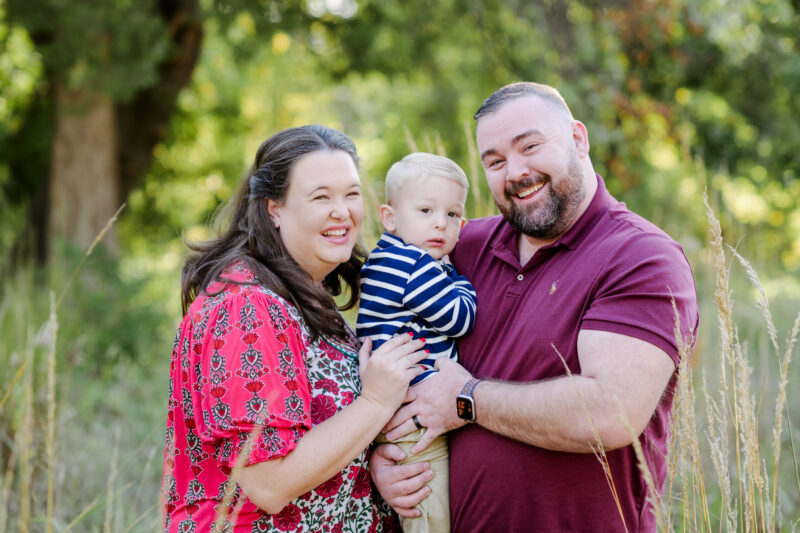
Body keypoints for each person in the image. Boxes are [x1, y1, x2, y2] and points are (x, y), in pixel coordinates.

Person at [370, 82, 699, 532]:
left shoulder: (640, 257)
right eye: (495, 161)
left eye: (530, 146)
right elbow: (383, 326)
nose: (516, 172)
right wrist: (386, 458)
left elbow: (610, 413)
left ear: (578, 139)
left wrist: (467, 400)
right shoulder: (459, 245)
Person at [161, 124, 428, 532]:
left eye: (351, 194)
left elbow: (328, 438)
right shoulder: (246, 307)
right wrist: (375, 402)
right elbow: (269, 484)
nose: (342, 212)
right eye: (321, 197)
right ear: (275, 209)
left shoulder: (304, 295)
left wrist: (374, 469)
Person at [356, 152, 477, 533]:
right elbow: (459, 318)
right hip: (413, 415)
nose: (441, 222)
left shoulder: (384, 259)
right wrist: (464, 284)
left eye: (453, 214)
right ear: (390, 217)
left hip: (399, 407)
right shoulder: (413, 264)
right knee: (428, 508)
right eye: (426, 210)